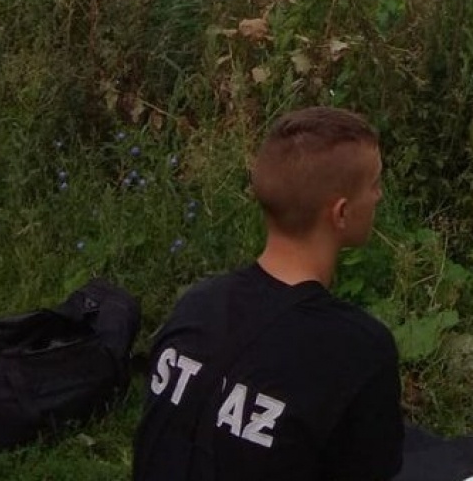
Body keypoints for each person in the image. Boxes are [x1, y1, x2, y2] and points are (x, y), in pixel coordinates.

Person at [133, 108, 403, 481]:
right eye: (373, 183)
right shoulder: (358, 351)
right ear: (340, 213)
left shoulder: (198, 304)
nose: (379, 195)